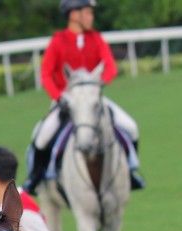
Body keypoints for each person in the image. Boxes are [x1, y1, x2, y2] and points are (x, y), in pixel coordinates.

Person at [25, 0, 142, 193]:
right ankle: (35, 178)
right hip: (66, 100)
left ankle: (130, 173)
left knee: (131, 126)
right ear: (73, 14)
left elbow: (110, 66)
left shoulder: (96, 38)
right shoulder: (58, 41)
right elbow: (46, 74)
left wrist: (100, 83)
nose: (91, 17)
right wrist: (58, 97)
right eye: (87, 13)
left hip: (93, 98)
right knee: (42, 136)